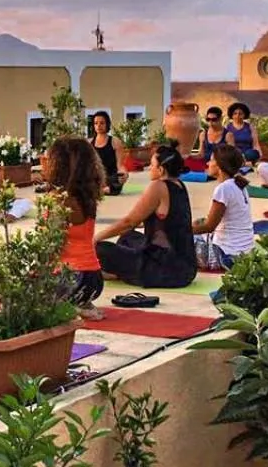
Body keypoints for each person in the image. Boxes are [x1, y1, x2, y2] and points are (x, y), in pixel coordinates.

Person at [94, 145, 196, 289]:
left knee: (100, 249)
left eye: (152, 165)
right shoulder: (179, 185)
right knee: (127, 237)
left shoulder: (158, 186)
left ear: (161, 170)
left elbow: (129, 222)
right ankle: (122, 270)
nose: (149, 167)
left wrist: (96, 238)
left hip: (166, 270)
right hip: (186, 269)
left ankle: (120, 272)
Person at [44, 137, 105, 317]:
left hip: (72, 277)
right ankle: (82, 303)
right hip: (94, 279)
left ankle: (70, 307)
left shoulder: (59, 200)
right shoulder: (88, 198)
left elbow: (52, 247)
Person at [191, 145, 254, 271]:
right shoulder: (239, 185)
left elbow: (209, 226)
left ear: (220, 166)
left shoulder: (223, 189)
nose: (208, 163)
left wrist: (182, 230)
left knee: (180, 238)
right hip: (245, 252)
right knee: (197, 227)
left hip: (226, 255)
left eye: (212, 160)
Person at [89, 110, 125, 196]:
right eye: (96, 123)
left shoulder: (115, 142)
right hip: (96, 178)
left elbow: (120, 165)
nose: (98, 126)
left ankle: (104, 190)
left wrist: (124, 173)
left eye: (102, 123)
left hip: (110, 178)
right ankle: (101, 190)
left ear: (107, 124)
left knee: (118, 178)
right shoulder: (89, 143)